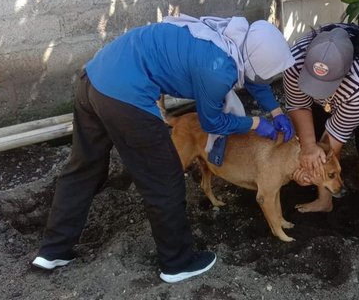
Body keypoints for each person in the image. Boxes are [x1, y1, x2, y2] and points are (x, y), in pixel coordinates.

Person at [32, 14, 296, 283]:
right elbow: (212, 120)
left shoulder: (226, 39)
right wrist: (255, 123)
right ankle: (177, 263)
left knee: (84, 166)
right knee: (164, 177)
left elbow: (253, 78)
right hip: (126, 96)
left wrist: (276, 111)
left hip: (92, 79)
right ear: (254, 60)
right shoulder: (219, 68)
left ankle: (54, 249)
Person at [283, 23, 359, 237]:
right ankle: (324, 201)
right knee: (313, 134)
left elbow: (332, 145)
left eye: (325, 88)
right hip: (330, 82)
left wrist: (313, 169)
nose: (320, 95)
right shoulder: (294, 64)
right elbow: (299, 105)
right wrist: (308, 148)